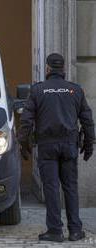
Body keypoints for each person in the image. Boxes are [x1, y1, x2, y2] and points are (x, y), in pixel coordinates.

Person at [18, 53, 95, 242]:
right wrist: (89, 144)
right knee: (70, 187)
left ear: (47, 69)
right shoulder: (75, 90)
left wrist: (23, 143)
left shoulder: (37, 90)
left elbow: (26, 120)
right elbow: (87, 120)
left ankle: (55, 230)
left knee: (51, 187)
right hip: (69, 145)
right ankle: (75, 230)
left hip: (47, 146)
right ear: (63, 70)